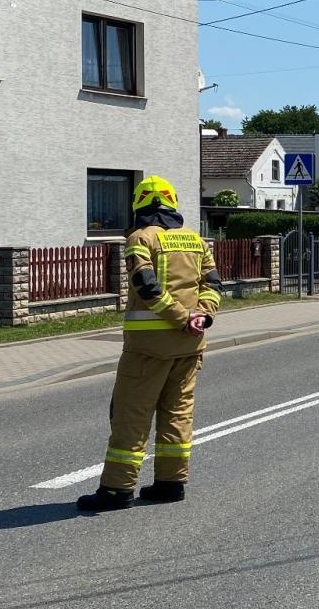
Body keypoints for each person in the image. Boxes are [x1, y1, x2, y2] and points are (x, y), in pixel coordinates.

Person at [76, 175, 222, 512]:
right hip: (190, 345)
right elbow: (213, 283)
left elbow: (146, 285)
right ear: (172, 202)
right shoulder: (195, 240)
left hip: (148, 348)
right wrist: (202, 315)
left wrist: (179, 316)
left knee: (131, 416)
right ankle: (171, 484)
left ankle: (116, 490)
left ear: (139, 204)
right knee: (177, 414)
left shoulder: (140, 238)